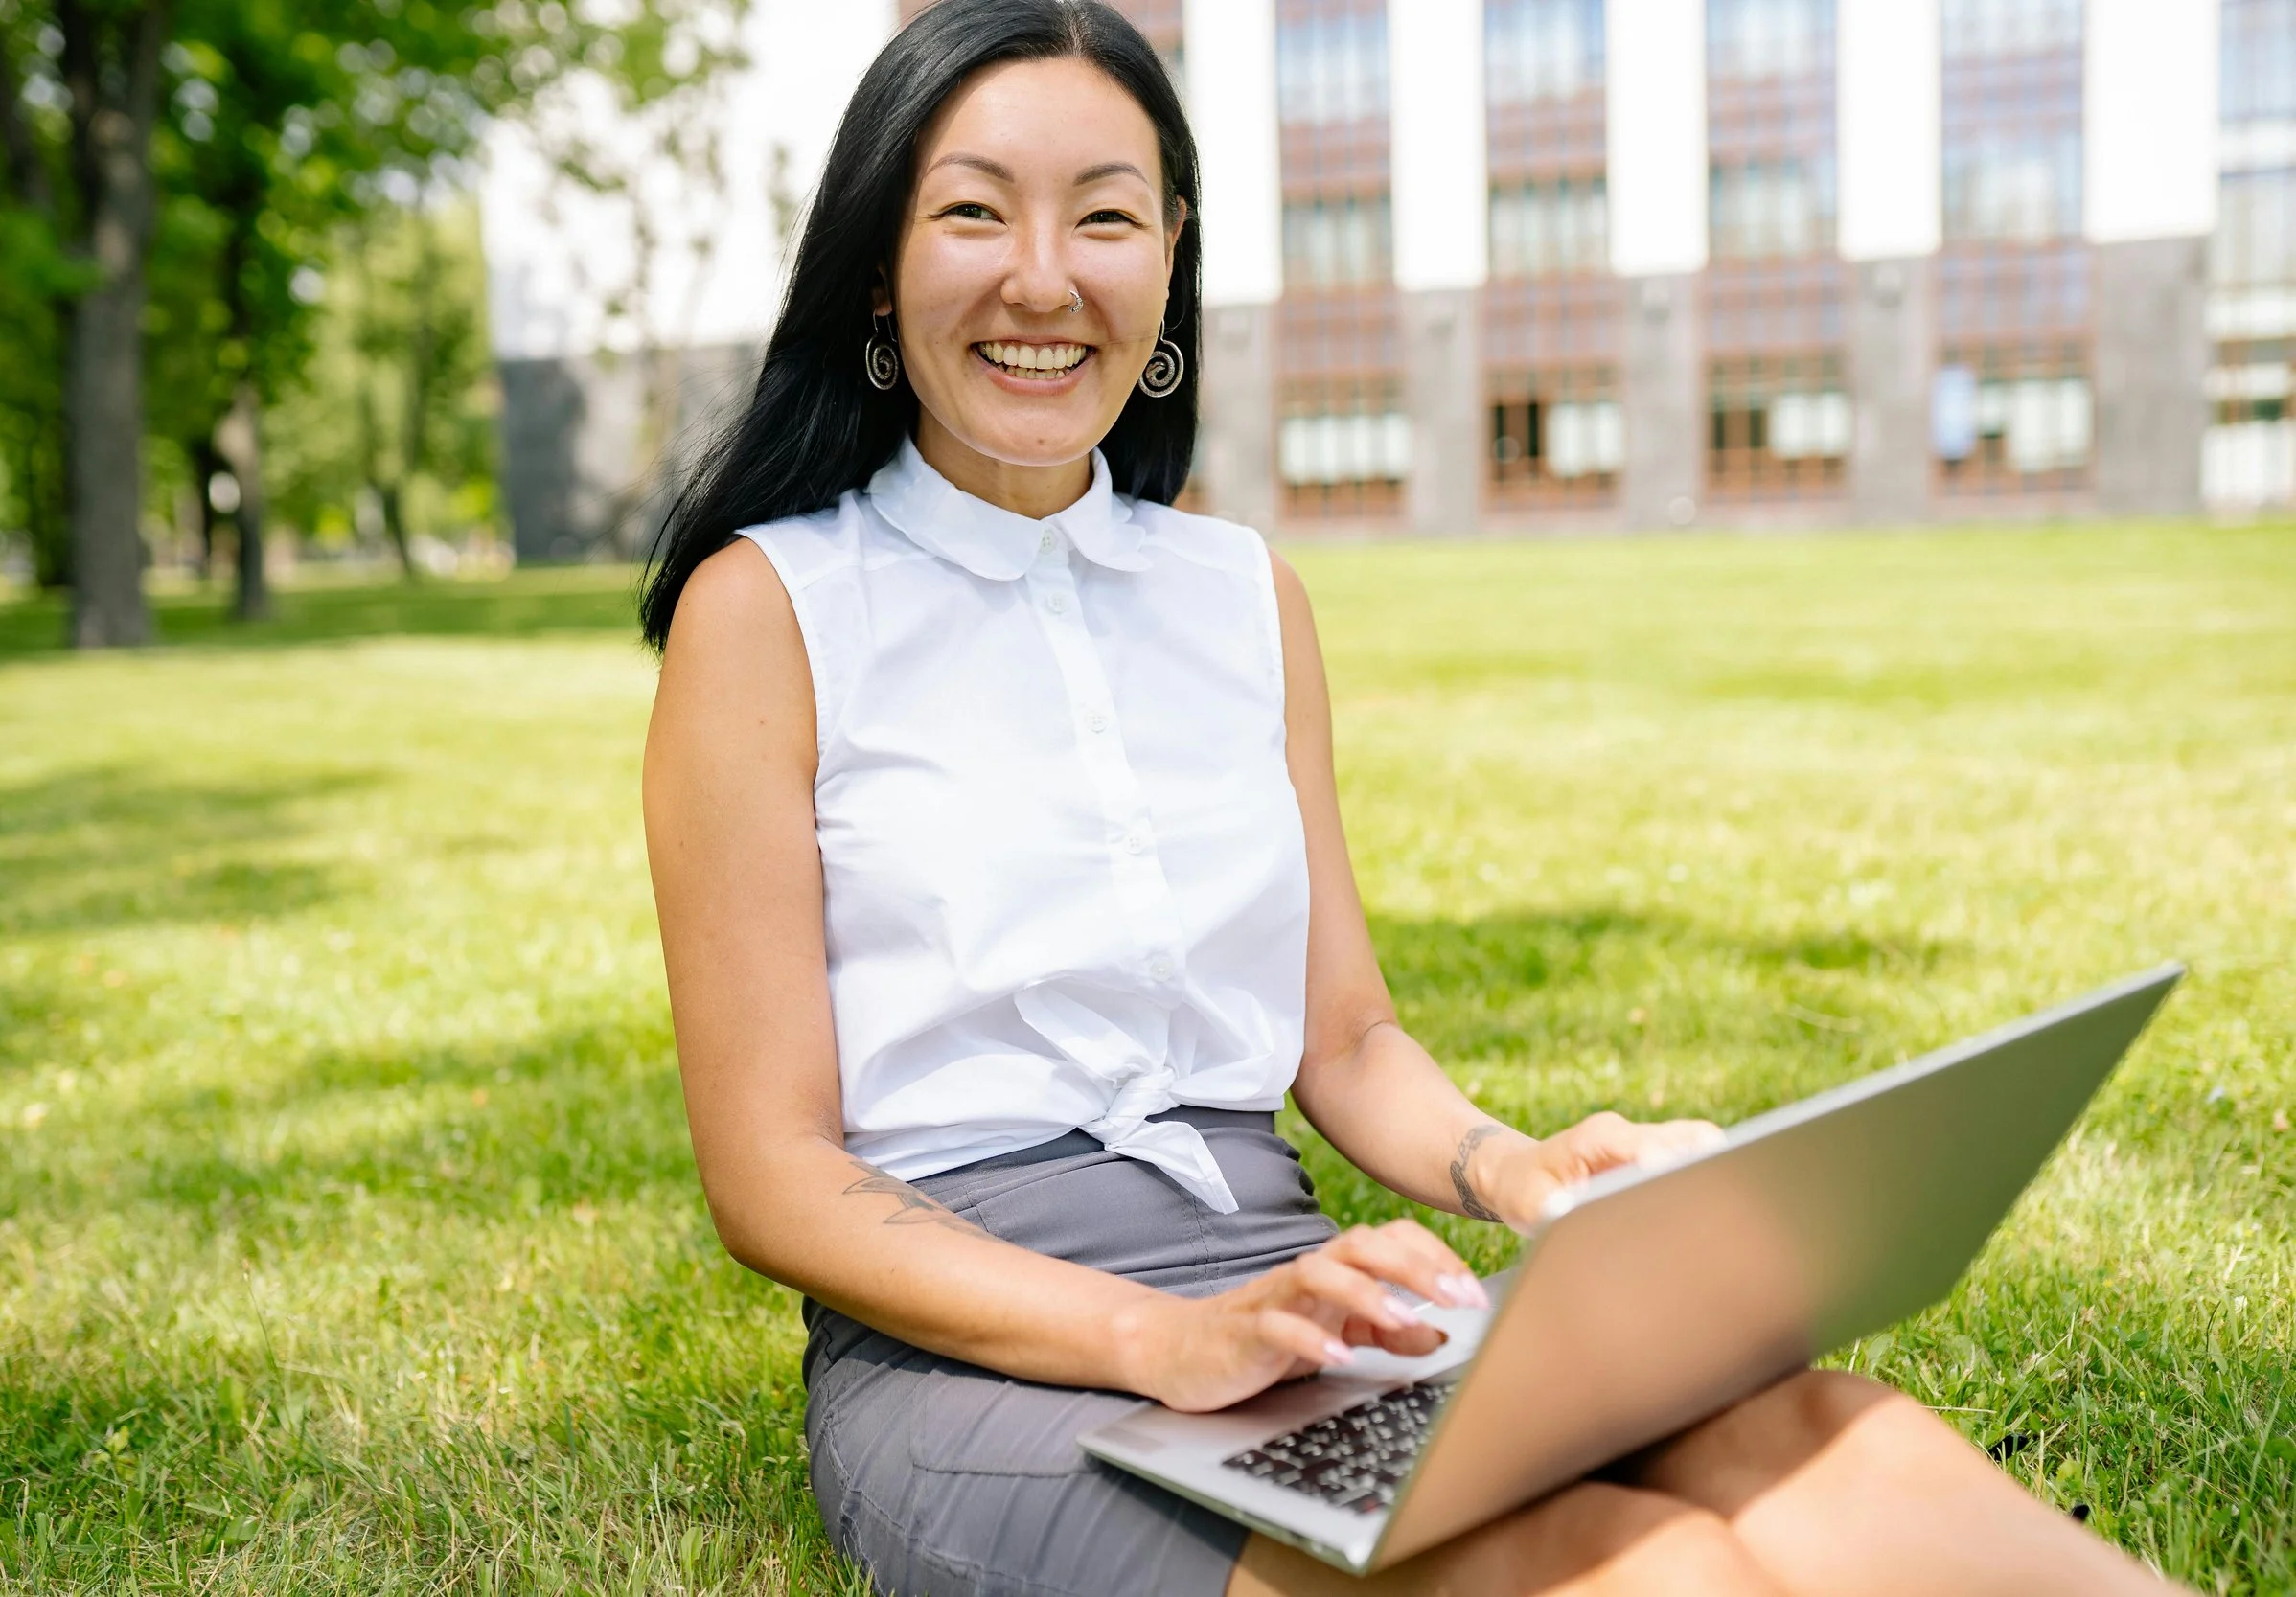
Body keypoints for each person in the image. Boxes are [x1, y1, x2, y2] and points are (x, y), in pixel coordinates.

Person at [639, 5, 2179, 1593]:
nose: (1044, 277)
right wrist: (1166, 1338)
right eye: (974, 210)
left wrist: (1518, 1167)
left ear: (1171, 258)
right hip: (975, 1359)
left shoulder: (1242, 596)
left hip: (1299, 1289)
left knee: (1818, 1434)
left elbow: (1347, 1038)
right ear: (879, 267)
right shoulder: (772, 610)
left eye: (1104, 213)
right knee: (1623, 1563)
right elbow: (773, 1169)